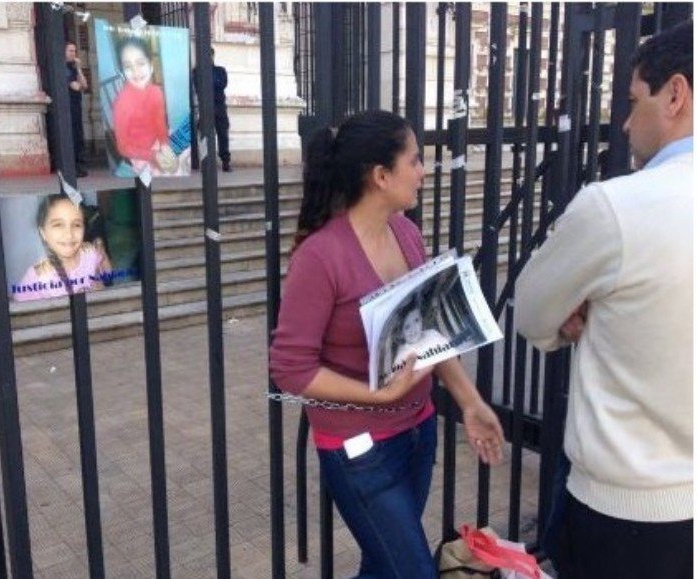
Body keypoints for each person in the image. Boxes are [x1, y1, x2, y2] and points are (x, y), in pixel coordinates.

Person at [269, 110, 505, 578]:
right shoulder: (320, 257)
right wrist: (381, 395)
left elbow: (429, 332)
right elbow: (290, 367)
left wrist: (470, 401)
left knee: (384, 565)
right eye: (414, 160)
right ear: (380, 176)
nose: (423, 171)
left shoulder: (407, 233)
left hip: (417, 432)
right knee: (411, 571)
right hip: (360, 449)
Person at [515, 21, 692, 579]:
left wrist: (574, 318)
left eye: (633, 99)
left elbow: (531, 311)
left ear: (675, 94)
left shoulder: (616, 207)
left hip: (625, 509)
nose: (624, 120)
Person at [13, 193, 112, 302]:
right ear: (43, 233)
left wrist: (102, 252)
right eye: (58, 225)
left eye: (76, 225)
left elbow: (107, 276)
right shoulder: (37, 276)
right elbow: (22, 314)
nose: (69, 234)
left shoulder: (90, 254)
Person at [112, 36, 179, 177]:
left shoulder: (156, 92)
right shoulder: (122, 103)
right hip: (139, 155)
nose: (136, 72)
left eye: (141, 63)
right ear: (122, 72)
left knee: (179, 160)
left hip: (156, 145)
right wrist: (153, 156)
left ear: (151, 65)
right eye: (128, 67)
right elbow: (123, 147)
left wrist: (164, 146)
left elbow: (159, 123)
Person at [389, 296, 451, 380]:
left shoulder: (432, 334)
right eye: (407, 327)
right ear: (401, 333)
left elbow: (448, 351)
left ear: (421, 318)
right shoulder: (402, 355)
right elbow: (394, 380)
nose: (413, 329)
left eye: (416, 320)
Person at [193, 47, 232, 172]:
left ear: (212, 56)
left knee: (223, 134)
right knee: (204, 136)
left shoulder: (220, 70)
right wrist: (212, 81)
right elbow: (198, 87)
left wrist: (209, 80)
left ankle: (225, 161)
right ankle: (206, 161)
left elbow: (222, 84)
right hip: (205, 107)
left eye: (209, 56)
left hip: (219, 107)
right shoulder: (196, 71)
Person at [65, 42, 88, 178]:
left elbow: (84, 85)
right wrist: (78, 83)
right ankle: (72, 166)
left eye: (74, 51)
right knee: (72, 136)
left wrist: (79, 68)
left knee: (78, 136)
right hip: (67, 107)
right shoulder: (63, 68)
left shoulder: (73, 68)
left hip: (76, 105)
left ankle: (80, 166)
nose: (73, 54)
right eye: (70, 51)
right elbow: (76, 87)